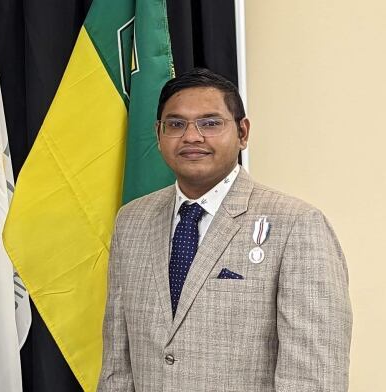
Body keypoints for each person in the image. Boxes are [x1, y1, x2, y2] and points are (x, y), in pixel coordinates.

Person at [98, 68, 352, 391]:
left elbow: (314, 381)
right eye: (176, 124)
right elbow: (116, 370)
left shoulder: (297, 226)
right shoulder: (131, 222)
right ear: (158, 135)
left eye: (210, 123)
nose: (192, 136)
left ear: (242, 132)